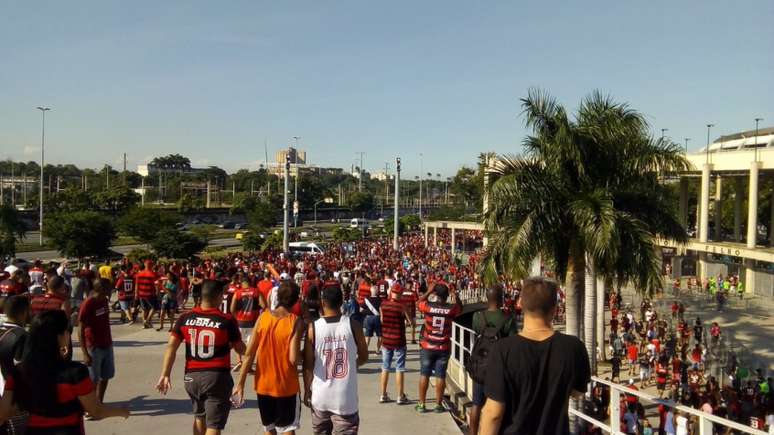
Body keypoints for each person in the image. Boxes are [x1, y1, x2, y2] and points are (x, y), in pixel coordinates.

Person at [479, 277, 591, 435]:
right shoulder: (574, 347)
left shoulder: (502, 350)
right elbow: (577, 393)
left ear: (520, 305)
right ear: (555, 309)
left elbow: (493, 413)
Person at [0, 310, 130, 433]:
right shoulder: (75, 373)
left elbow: (4, 412)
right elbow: (95, 410)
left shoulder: (19, 372)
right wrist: (121, 411)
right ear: (61, 336)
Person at [157, 280, 246, 435]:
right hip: (216, 377)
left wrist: (165, 374)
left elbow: (171, 347)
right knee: (214, 425)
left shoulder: (185, 317)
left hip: (191, 377)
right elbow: (241, 349)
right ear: (219, 297)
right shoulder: (226, 320)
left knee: (199, 418)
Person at [234, 280, 304, 435]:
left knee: (269, 428)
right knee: (287, 429)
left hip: (263, 385)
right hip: (286, 386)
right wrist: (304, 355)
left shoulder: (263, 318)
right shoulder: (295, 322)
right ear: (295, 300)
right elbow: (294, 358)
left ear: (277, 297)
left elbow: (249, 354)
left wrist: (240, 384)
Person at [302, 284, 368, 435]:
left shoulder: (313, 328)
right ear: (342, 302)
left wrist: (306, 391)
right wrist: (353, 364)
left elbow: (308, 365)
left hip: (321, 396)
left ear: (323, 303)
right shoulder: (353, 325)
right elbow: (364, 356)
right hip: (345, 398)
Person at [468, 284, 517, 435]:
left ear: (487, 299)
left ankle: (473, 432)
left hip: (480, 366)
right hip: (499, 368)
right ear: (501, 299)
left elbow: (476, 330)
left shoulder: (477, 317)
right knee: (497, 404)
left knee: (476, 403)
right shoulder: (508, 319)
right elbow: (513, 342)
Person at [415, 282, 462, 413]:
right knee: (441, 375)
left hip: (427, 346)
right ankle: (438, 404)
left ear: (435, 294)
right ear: (447, 296)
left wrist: (428, 292)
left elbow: (418, 303)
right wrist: (455, 295)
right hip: (443, 347)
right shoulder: (451, 309)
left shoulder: (428, 307)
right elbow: (460, 308)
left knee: (424, 374)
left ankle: (422, 404)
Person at [78, 278, 115, 404]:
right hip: (94, 347)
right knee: (93, 379)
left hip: (107, 344)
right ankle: (89, 406)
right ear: (101, 289)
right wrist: (85, 353)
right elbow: (80, 329)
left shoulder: (104, 300)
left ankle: (99, 402)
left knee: (106, 376)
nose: (111, 289)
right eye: (109, 287)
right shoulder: (88, 304)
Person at [379, 284, 413, 405]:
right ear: (400, 294)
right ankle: (400, 396)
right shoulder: (402, 307)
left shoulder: (383, 304)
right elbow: (411, 322)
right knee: (400, 368)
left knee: (385, 367)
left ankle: (383, 394)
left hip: (386, 340)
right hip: (399, 340)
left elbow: (382, 320)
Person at [230, 279, 266, 372]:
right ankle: (248, 366)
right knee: (251, 346)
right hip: (253, 322)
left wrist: (236, 317)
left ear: (242, 284)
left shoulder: (237, 293)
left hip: (240, 322)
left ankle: (240, 361)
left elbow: (232, 309)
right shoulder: (256, 292)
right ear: (250, 283)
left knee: (239, 342)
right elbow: (264, 305)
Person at [135, 262, 159, 329]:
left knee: (144, 309)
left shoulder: (139, 274)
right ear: (151, 265)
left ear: (145, 265)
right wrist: (157, 292)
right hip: (150, 294)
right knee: (155, 308)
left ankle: (144, 324)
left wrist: (136, 294)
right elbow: (156, 284)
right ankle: (147, 321)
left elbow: (136, 285)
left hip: (141, 294)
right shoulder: (153, 274)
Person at [362, 286, 382, 354]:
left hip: (368, 318)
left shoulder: (366, 299)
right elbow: (381, 309)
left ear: (371, 291)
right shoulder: (380, 299)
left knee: (367, 336)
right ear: (377, 292)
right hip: (377, 318)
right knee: (380, 335)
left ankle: (365, 350)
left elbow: (361, 309)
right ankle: (377, 350)